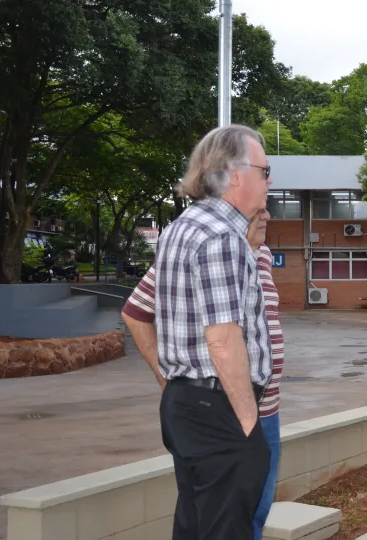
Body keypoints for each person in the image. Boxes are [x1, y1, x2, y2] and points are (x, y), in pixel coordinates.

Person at [122, 124, 273, 540]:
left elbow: (143, 311)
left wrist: (170, 381)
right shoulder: (223, 237)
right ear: (237, 174)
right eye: (265, 170)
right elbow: (222, 339)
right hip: (221, 412)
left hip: (187, 405)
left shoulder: (181, 228)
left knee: (192, 526)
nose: (269, 181)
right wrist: (247, 424)